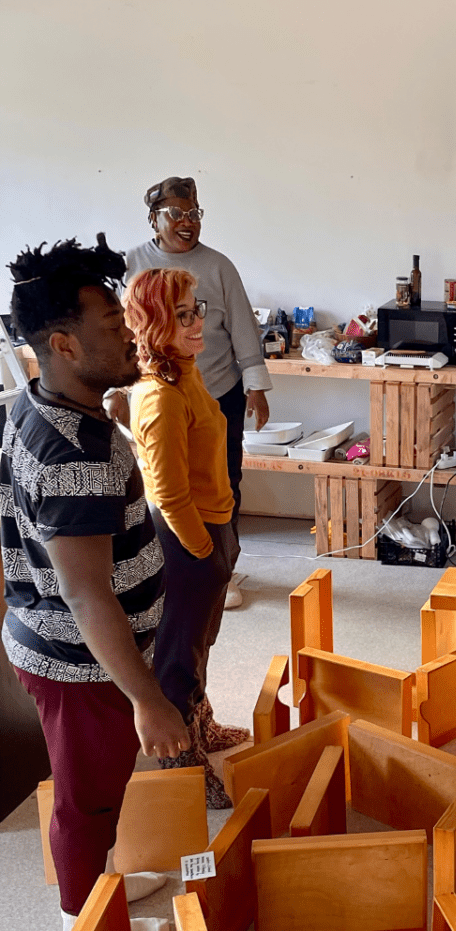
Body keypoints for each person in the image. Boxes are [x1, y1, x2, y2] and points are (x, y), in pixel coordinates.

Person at [1, 236, 189, 931]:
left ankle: (102, 877)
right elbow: (87, 596)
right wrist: (149, 699)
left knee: (100, 790)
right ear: (64, 344)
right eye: (111, 324)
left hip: (57, 641)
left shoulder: (35, 402)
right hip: (80, 663)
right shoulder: (80, 456)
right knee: (86, 802)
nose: (130, 331)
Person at [123, 267, 245, 809]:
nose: (198, 322)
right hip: (186, 542)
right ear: (152, 323)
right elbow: (168, 495)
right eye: (182, 315)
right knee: (177, 655)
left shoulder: (185, 373)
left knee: (198, 644)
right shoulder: (161, 397)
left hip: (212, 530)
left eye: (197, 310)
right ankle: (181, 765)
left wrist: (220, 547)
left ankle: (201, 726)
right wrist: (204, 555)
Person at [124, 176, 272, 610]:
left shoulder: (219, 265)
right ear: (154, 219)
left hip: (215, 390)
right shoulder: (131, 264)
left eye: (194, 214)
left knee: (225, 478)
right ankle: (184, 564)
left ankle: (224, 566)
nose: (187, 222)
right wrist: (117, 388)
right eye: (177, 214)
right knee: (167, 486)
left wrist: (256, 387)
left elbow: (244, 327)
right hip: (160, 390)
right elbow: (120, 331)